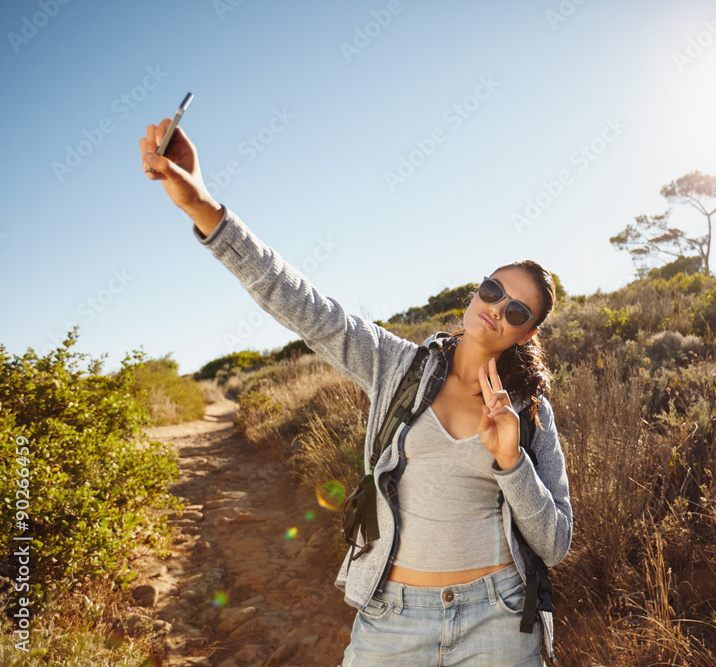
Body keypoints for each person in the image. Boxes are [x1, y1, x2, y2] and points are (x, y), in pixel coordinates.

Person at [139, 119, 572, 665]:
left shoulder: (530, 412)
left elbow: (555, 543)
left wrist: (511, 463)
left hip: (500, 620)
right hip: (394, 620)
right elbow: (303, 304)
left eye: (515, 309)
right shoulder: (396, 366)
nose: (495, 307)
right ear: (475, 290)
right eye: (492, 289)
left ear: (527, 332)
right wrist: (203, 207)